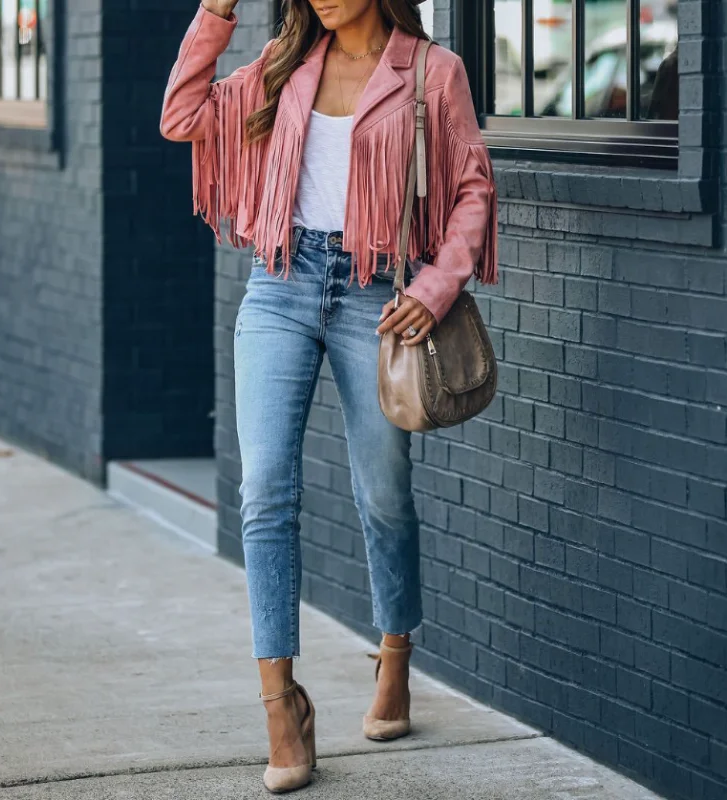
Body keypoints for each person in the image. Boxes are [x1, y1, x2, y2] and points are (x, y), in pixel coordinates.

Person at [160, 0, 498, 793]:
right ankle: (281, 703)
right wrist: (215, 11)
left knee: (383, 494)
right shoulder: (281, 67)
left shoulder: (431, 73)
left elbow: (473, 188)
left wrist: (438, 282)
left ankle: (396, 654)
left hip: (375, 295)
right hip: (279, 284)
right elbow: (182, 116)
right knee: (265, 489)